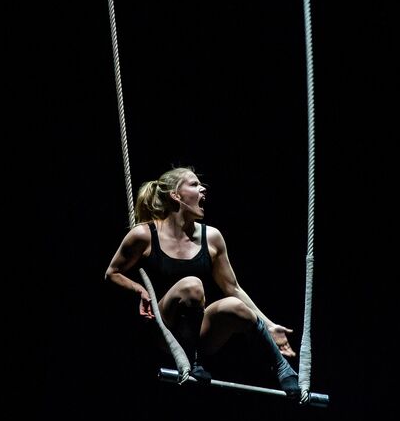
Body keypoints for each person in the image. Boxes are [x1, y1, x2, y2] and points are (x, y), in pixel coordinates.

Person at [105, 165, 300, 398]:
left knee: (235, 306)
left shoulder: (212, 237)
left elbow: (233, 288)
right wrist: (139, 290)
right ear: (176, 195)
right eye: (194, 184)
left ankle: (281, 366)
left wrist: (269, 325)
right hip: (163, 331)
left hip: (198, 335)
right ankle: (190, 358)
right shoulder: (144, 235)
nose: (203, 189)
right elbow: (112, 273)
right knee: (192, 285)